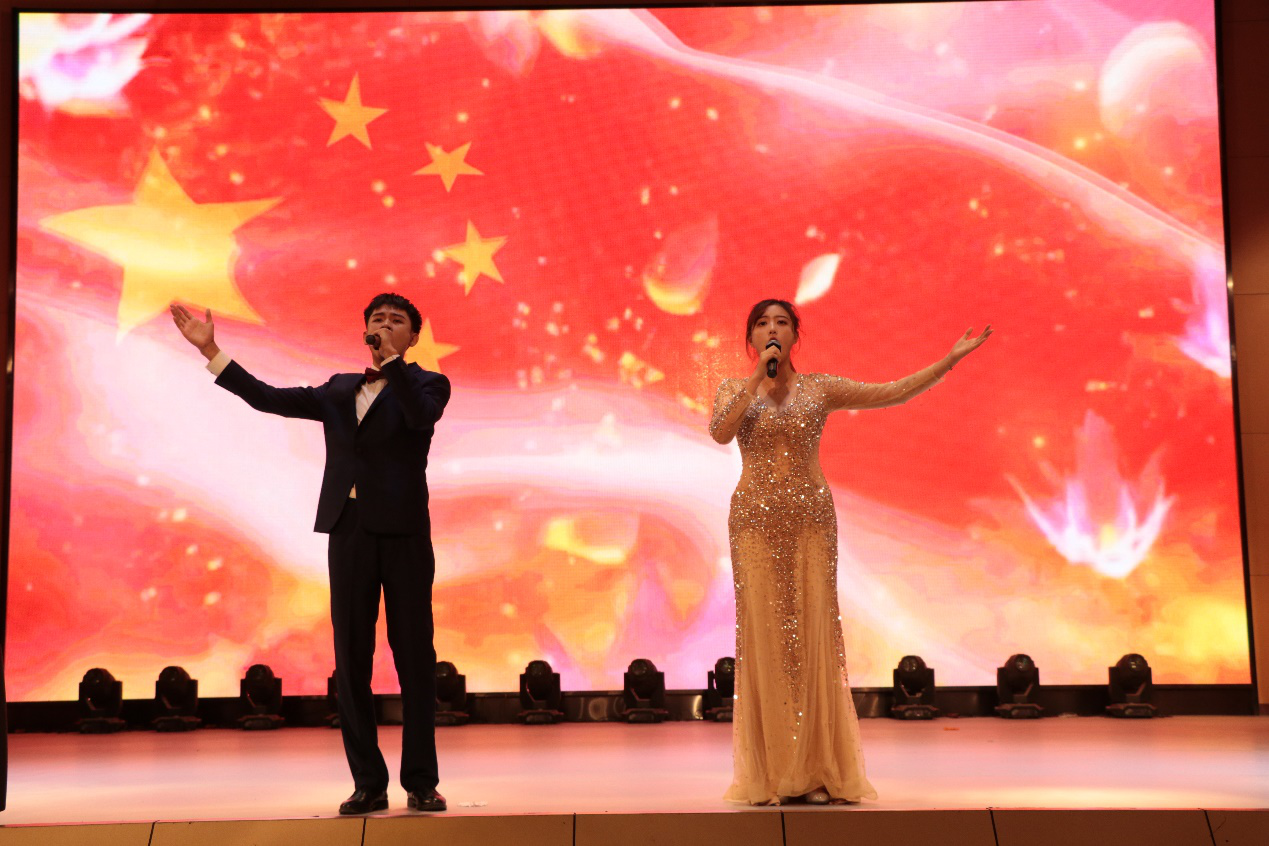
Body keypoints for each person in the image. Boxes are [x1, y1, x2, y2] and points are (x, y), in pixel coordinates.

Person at [170, 293, 451, 815]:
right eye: (377, 319)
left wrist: (394, 363)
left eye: (397, 322)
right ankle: (367, 782)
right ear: (363, 328)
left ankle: (421, 781)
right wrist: (211, 351)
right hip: (349, 532)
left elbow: (419, 417)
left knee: (415, 657)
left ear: (413, 337)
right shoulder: (339, 389)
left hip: (405, 534)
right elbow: (266, 397)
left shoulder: (430, 384)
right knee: (351, 658)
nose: (385, 325)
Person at [709, 299, 990, 805]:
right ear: (750, 339)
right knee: (765, 634)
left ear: (796, 335)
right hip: (753, 523)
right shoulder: (734, 389)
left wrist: (948, 361)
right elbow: (720, 432)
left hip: (811, 522)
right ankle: (772, 772)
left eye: (782, 323)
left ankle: (816, 768)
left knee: (814, 634)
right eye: (762, 324)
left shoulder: (820, 389)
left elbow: (891, 392)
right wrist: (754, 381)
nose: (772, 330)